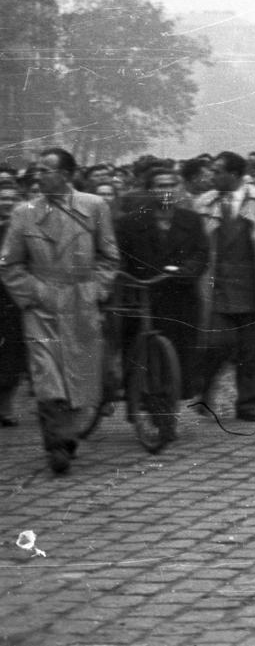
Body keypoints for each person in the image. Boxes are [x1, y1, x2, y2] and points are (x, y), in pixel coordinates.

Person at [0, 148, 120, 474]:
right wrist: (34, 293)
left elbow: (108, 257)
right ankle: (58, 444)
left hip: (82, 301)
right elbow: (10, 264)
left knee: (79, 374)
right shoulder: (24, 213)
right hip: (42, 305)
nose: (38, 176)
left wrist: (96, 289)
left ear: (66, 175)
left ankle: (69, 433)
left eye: (46, 170)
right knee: (47, 375)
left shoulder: (94, 207)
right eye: (36, 170)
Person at [188, 151, 255, 422]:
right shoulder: (203, 203)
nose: (211, 176)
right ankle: (203, 387)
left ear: (234, 175)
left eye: (217, 172)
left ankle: (247, 402)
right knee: (217, 343)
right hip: (215, 285)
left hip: (253, 286)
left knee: (251, 349)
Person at [114, 168, 209, 403]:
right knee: (139, 348)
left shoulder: (192, 219)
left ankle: (174, 396)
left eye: (171, 185)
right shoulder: (129, 222)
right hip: (143, 295)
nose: (166, 191)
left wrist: (186, 271)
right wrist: (128, 279)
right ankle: (140, 394)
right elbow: (120, 257)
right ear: (149, 190)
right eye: (159, 186)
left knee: (180, 350)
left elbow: (201, 253)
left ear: (178, 189)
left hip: (181, 296)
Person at [0, 178, 27, 425]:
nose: (7, 203)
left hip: (13, 297)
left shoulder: (25, 228)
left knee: (12, 353)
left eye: (12, 199)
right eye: (3, 198)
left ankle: (6, 405)